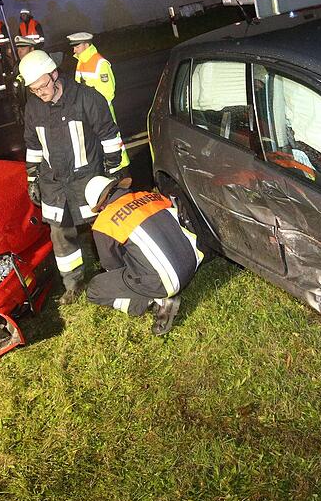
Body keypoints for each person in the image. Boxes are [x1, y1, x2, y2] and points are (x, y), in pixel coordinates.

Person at [19, 50, 126, 303]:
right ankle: (73, 284)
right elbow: (33, 145)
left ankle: (114, 272)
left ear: (55, 74)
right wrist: (32, 177)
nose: (41, 93)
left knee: (100, 228)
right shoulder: (33, 107)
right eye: (34, 89)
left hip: (86, 180)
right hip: (54, 184)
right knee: (60, 234)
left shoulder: (86, 98)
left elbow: (109, 135)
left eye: (43, 85)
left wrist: (113, 169)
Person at [83, 175, 203, 335]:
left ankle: (154, 302)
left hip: (166, 280)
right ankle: (156, 294)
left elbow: (111, 266)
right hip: (192, 260)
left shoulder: (105, 222)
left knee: (95, 289)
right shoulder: (149, 195)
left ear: (102, 205)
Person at [67, 31, 128, 169]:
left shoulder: (100, 63)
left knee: (111, 138)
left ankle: (119, 167)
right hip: (88, 111)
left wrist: (96, 110)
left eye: (77, 46)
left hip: (101, 111)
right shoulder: (81, 62)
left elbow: (108, 92)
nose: (74, 49)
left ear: (86, 44)